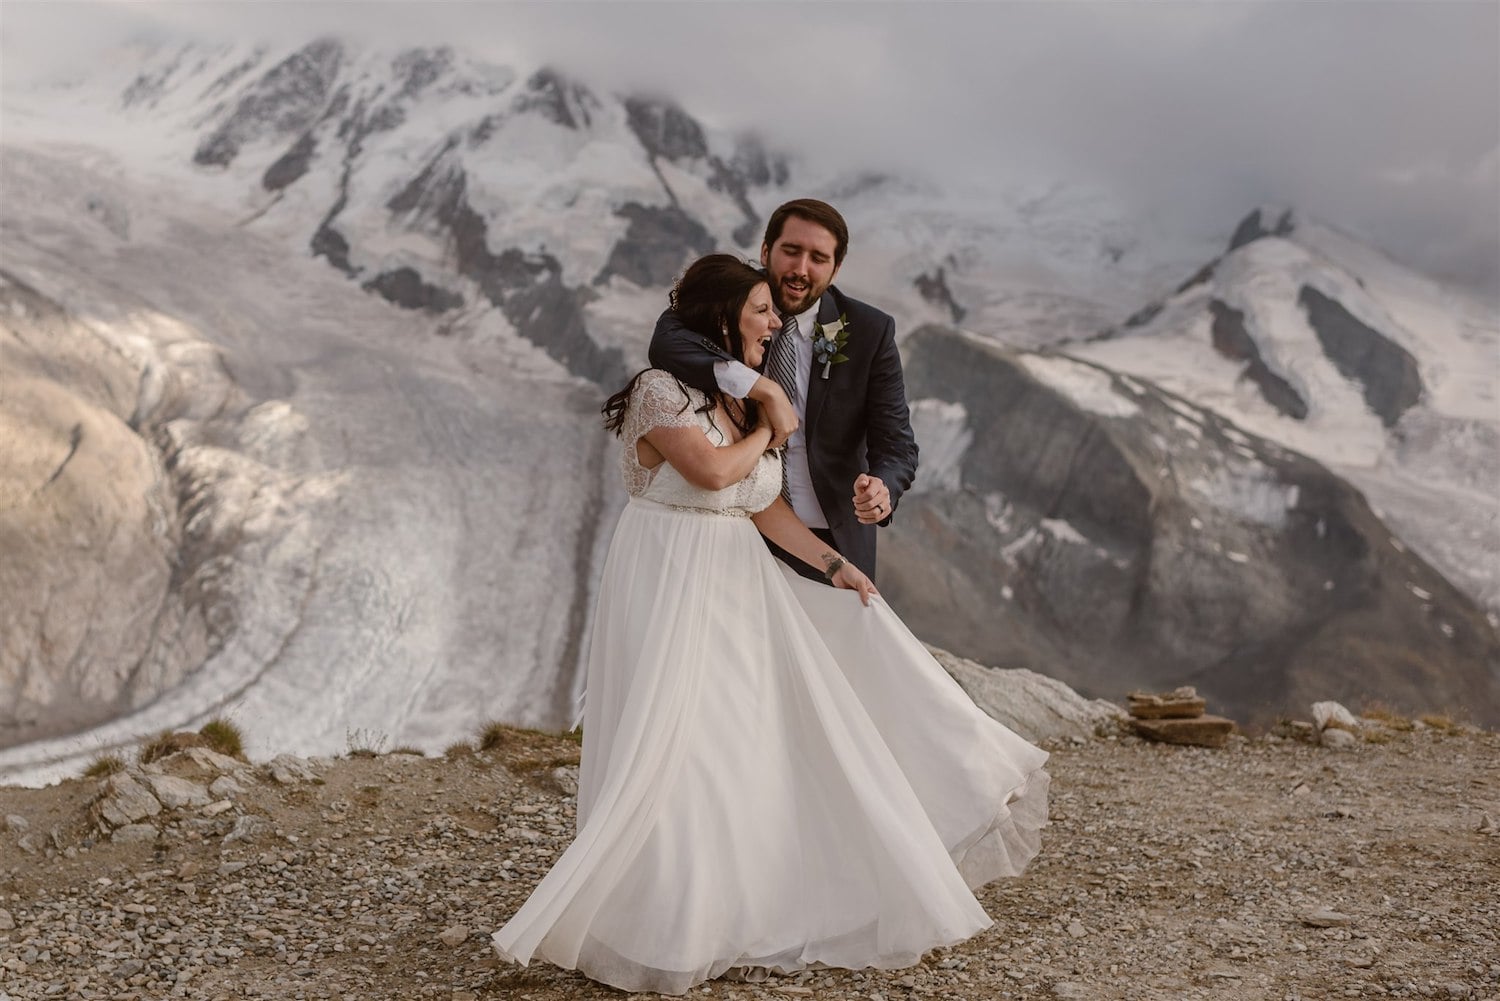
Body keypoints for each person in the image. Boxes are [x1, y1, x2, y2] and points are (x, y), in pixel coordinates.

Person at [490, 254, 1050, 996]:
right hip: (667, 577)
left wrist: (833, 563)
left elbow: (764, 506)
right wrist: (773, 420)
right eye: (760, 311)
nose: (774, 324)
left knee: (736, 740)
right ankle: (659, 922)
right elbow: (714, 475)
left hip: (736, 585)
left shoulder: (748, 401)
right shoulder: (662, 390)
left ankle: (731, 913)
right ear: (724, 316)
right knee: (674, 740)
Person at [649, 198, 916, 583]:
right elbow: (666, 341)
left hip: (832, 541)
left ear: (836, 268)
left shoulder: (870, 331)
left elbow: (897, 446)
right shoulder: (731, 302)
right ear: (765, 250)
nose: (800, 269)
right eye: (791, 251)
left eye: (818, 258)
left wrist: (883, 487)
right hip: (737, 528)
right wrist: (763, 389)